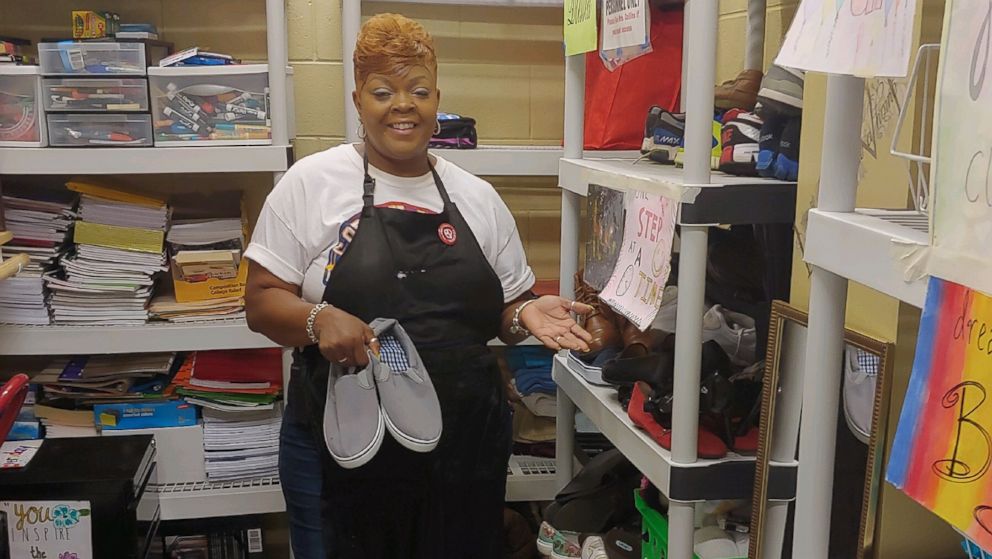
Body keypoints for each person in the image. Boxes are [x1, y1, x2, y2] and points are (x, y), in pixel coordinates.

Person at [244, 13, 594, 559]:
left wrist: (524, 314)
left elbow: (502, 309)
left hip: (463, 451)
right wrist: (317, 320)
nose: (402, 105)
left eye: (419, 90)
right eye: (383, 91)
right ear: (358, 99)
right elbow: (261, 301)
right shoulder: (310, 183)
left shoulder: (477, 197)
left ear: (437, 99)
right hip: (345, 444)